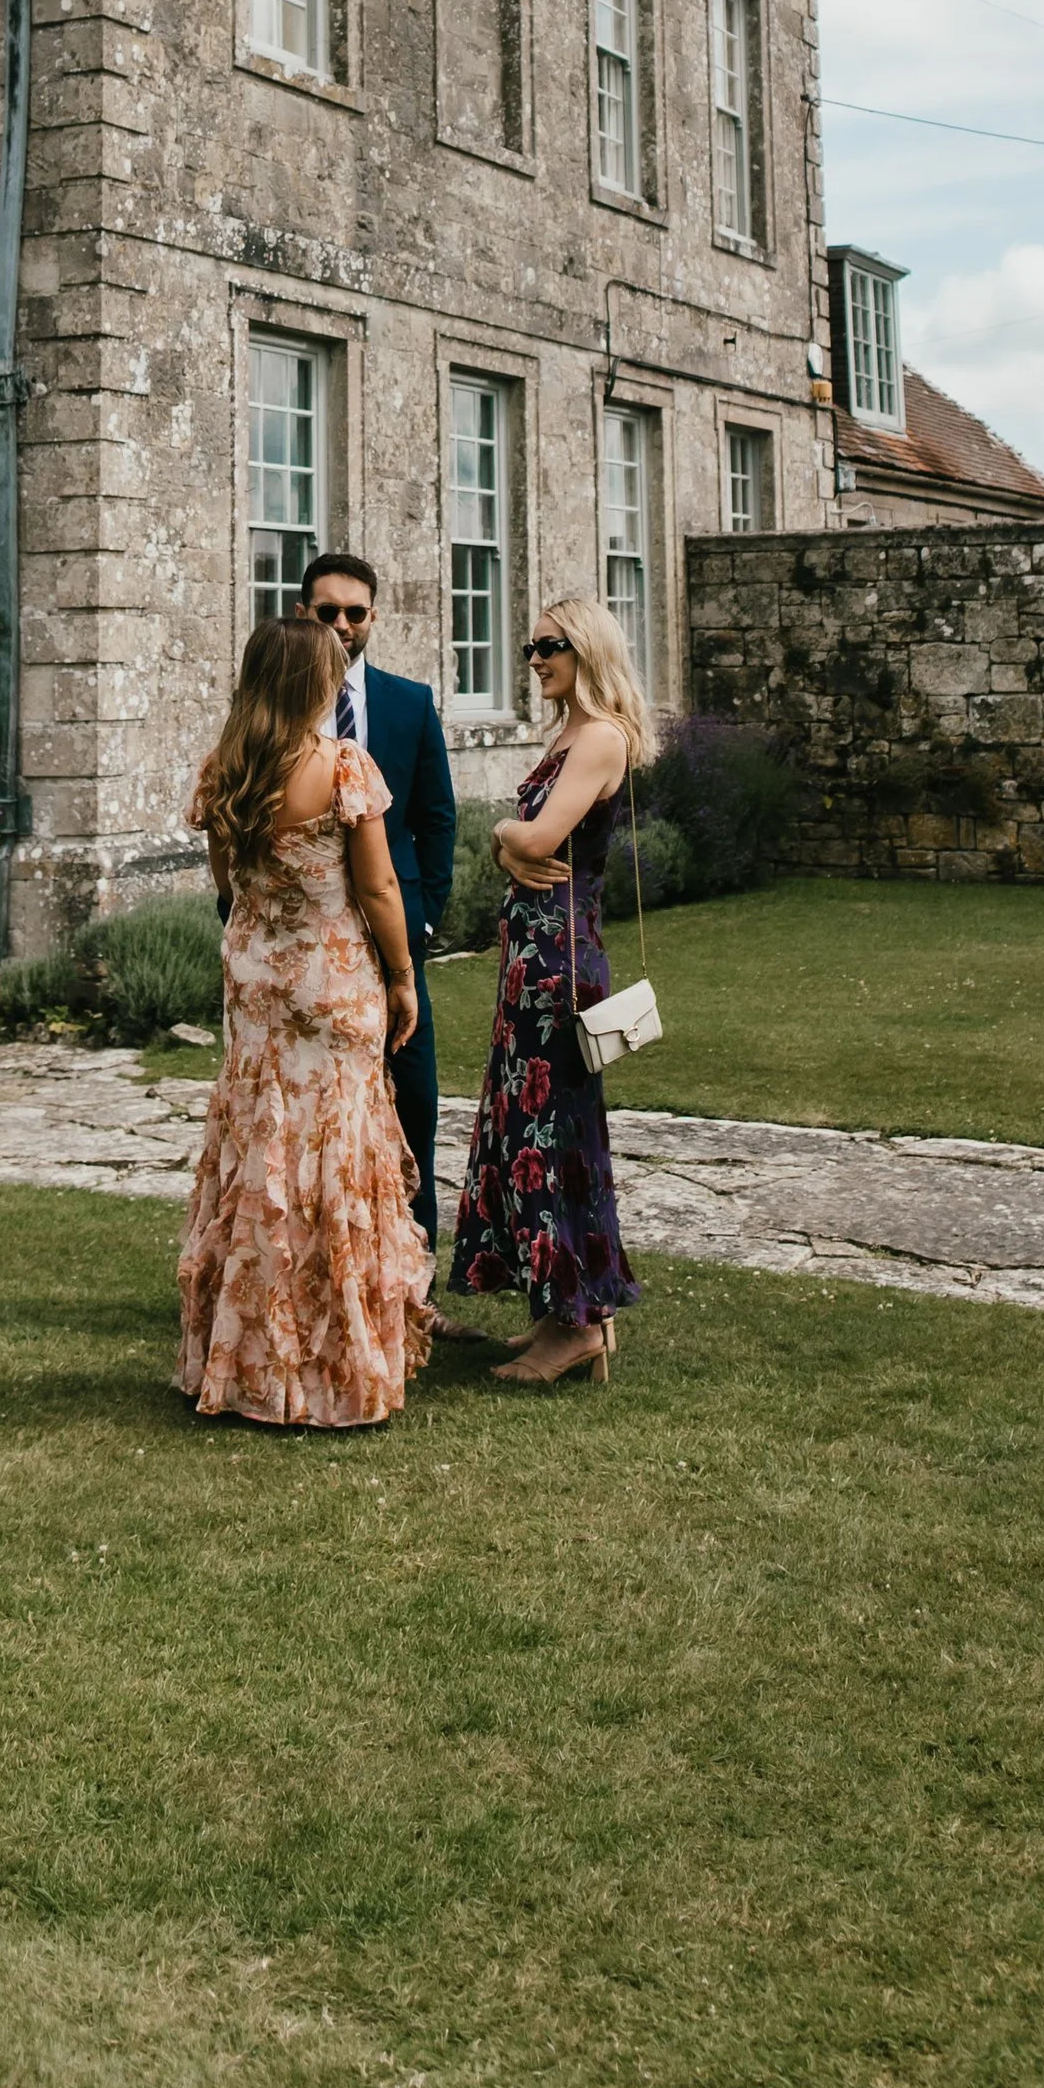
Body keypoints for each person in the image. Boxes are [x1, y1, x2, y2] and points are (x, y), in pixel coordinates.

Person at [176, 612, 435, 1429]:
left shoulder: (224, 769)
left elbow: (228, 883)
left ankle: (251, 1362)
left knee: (260, 1152)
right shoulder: (343, 767)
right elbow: (381, 889)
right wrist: (402, 979)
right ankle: (334, 1365)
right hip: (331, 980)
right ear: (316, 682)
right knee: (335, 1156)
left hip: (255, 977)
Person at [450, 594, 652, 1387]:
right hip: (532, 958)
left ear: (587, 649)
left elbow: (535, 840)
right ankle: (559, 1314)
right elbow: (529, 854)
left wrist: (504, 837)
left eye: (550, 646)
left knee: (552, 1140)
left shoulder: (600, 736)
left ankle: (577, 1329)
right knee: (524, 1134)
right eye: (531, 647)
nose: (535, 659)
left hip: (559, 968)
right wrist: (512, 855)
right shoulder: (567, 732)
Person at [299, 550, 458, 1287]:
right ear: (304, 613)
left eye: (354, 612)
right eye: (326, 611)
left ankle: (414, 1278)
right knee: (314, 1118)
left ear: (373, 618)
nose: (340, 624)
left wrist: (421, 923)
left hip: (395, 937)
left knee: (411, 1099)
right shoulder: (274, 711)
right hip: (304, 952)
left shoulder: (407, 702)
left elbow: (435, 819)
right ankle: (324, 1276)